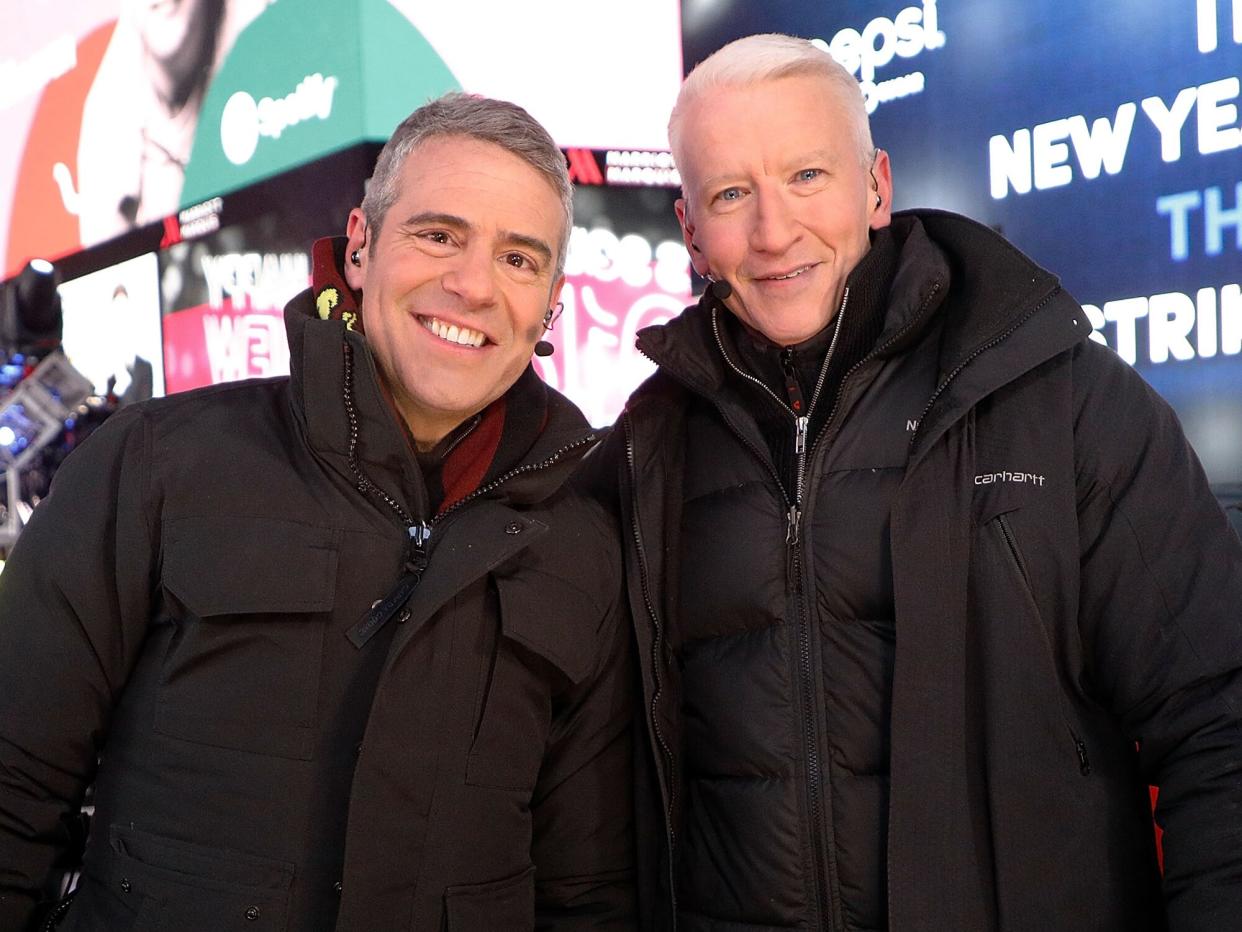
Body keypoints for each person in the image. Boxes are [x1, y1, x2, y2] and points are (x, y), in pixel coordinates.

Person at [611, 33, 1242, 931]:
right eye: (730, 194)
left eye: (806, 177)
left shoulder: (1057, 397)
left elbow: (1219, 713)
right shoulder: (651, 444)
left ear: (875, 186)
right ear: (691, 232)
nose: (774, 230)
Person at [0, 92, 634, 930]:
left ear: (551, 304)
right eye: (438, 235)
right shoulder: (156, 463)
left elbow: (586, 892)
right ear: (361, 247)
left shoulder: (584, 538)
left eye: (519, 259)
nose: (473, 285)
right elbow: (12, 789)